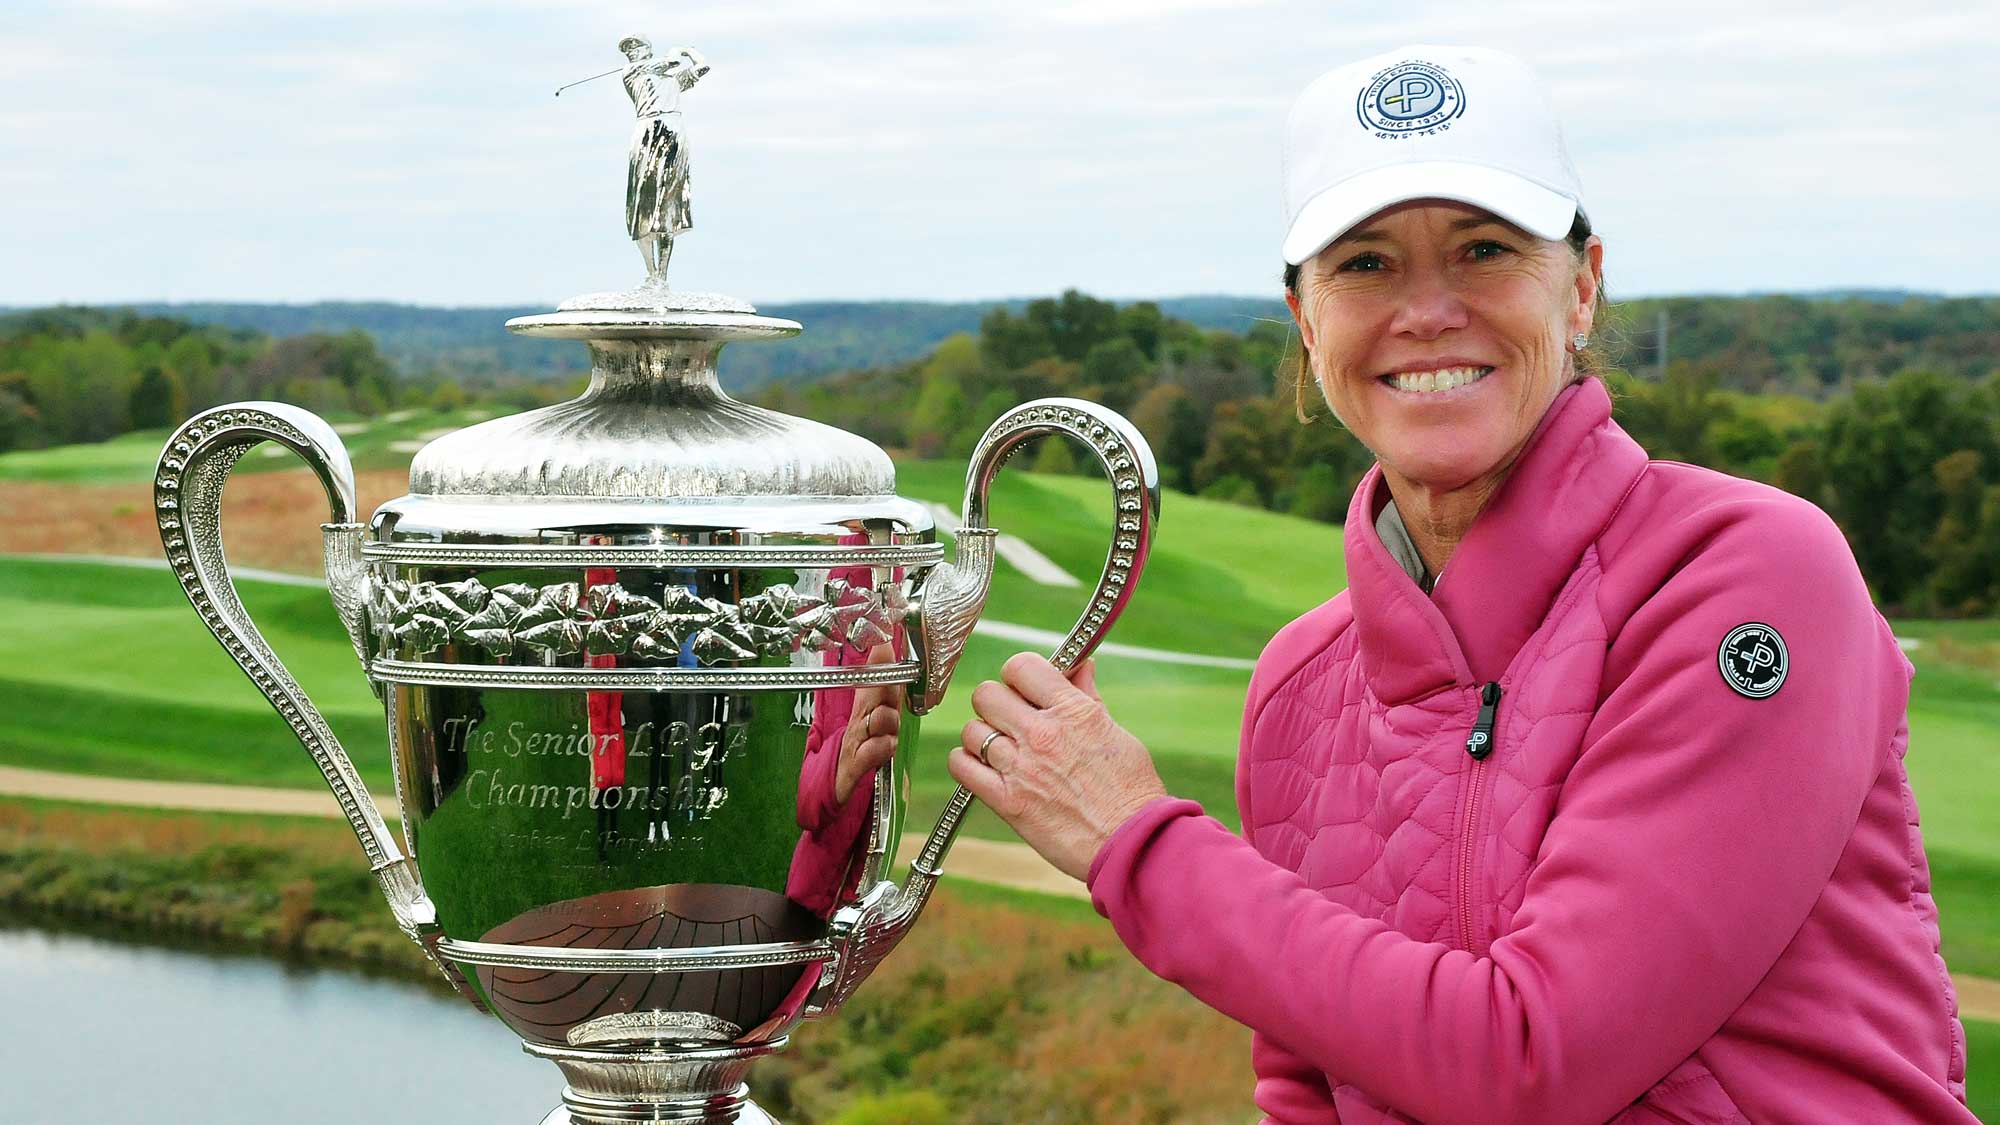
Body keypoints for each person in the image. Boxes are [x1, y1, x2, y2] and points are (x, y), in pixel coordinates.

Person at [945, 44, 1975, 1122]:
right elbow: (1305, 1090)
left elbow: (1535, 1060)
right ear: (1305, 321)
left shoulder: (1741, 570)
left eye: (1482, 250)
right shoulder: (1297, 683)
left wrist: (1136, 842)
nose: (1426, 311)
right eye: (1364, 263)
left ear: (1578, 290)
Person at [617, 35, 708, 286]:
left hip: (673, 131)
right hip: (648, 131)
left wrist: (690, 50)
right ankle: (651, 271)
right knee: (642, 206)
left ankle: (661, 276)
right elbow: (668, 62)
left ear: (647, 49)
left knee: (668, 207)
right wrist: (676, 51)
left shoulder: (671, 80)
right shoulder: (631, 71)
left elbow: (702, 67)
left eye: (636, 47)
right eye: (628, 50)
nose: (632, 52)